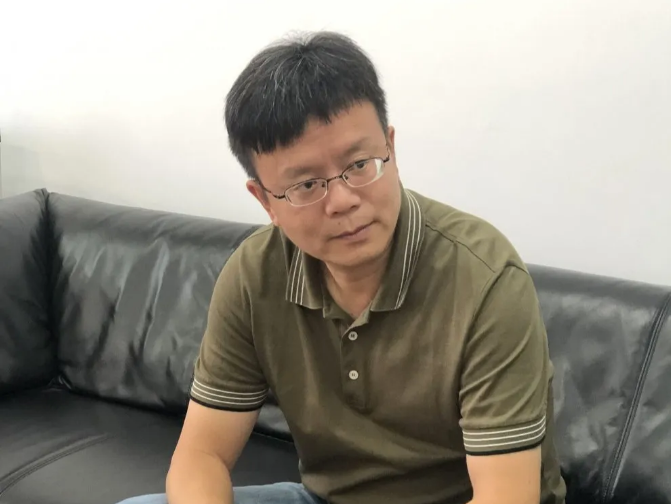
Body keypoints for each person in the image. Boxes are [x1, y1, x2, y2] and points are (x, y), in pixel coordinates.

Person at [119, 31, 567, 504]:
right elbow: (201, 455)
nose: (343, 201)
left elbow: (507, 497)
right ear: (265, 201)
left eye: (360, 164)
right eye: (306, 185)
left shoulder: (485, 279)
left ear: (391, 148)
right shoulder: (255, 275)